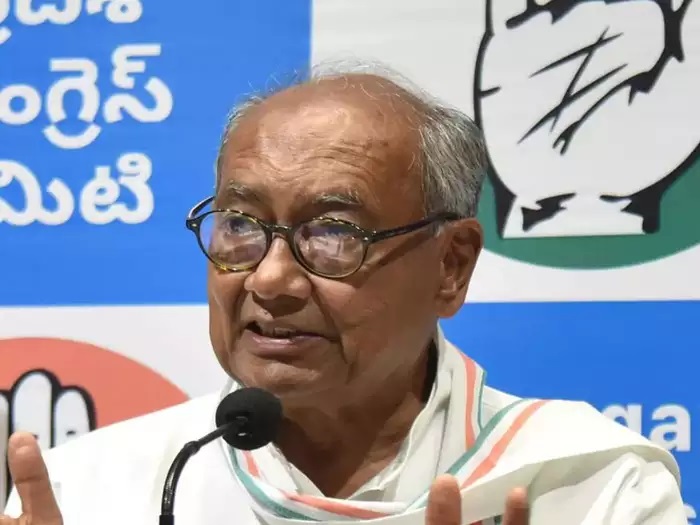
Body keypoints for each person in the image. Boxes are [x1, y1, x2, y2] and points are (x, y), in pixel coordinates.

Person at [1, 65, 685, 525]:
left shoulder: (587, 487)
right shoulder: (92, 492)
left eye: (332, 232)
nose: (269, 278)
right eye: (240, 224)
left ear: (451, 265)